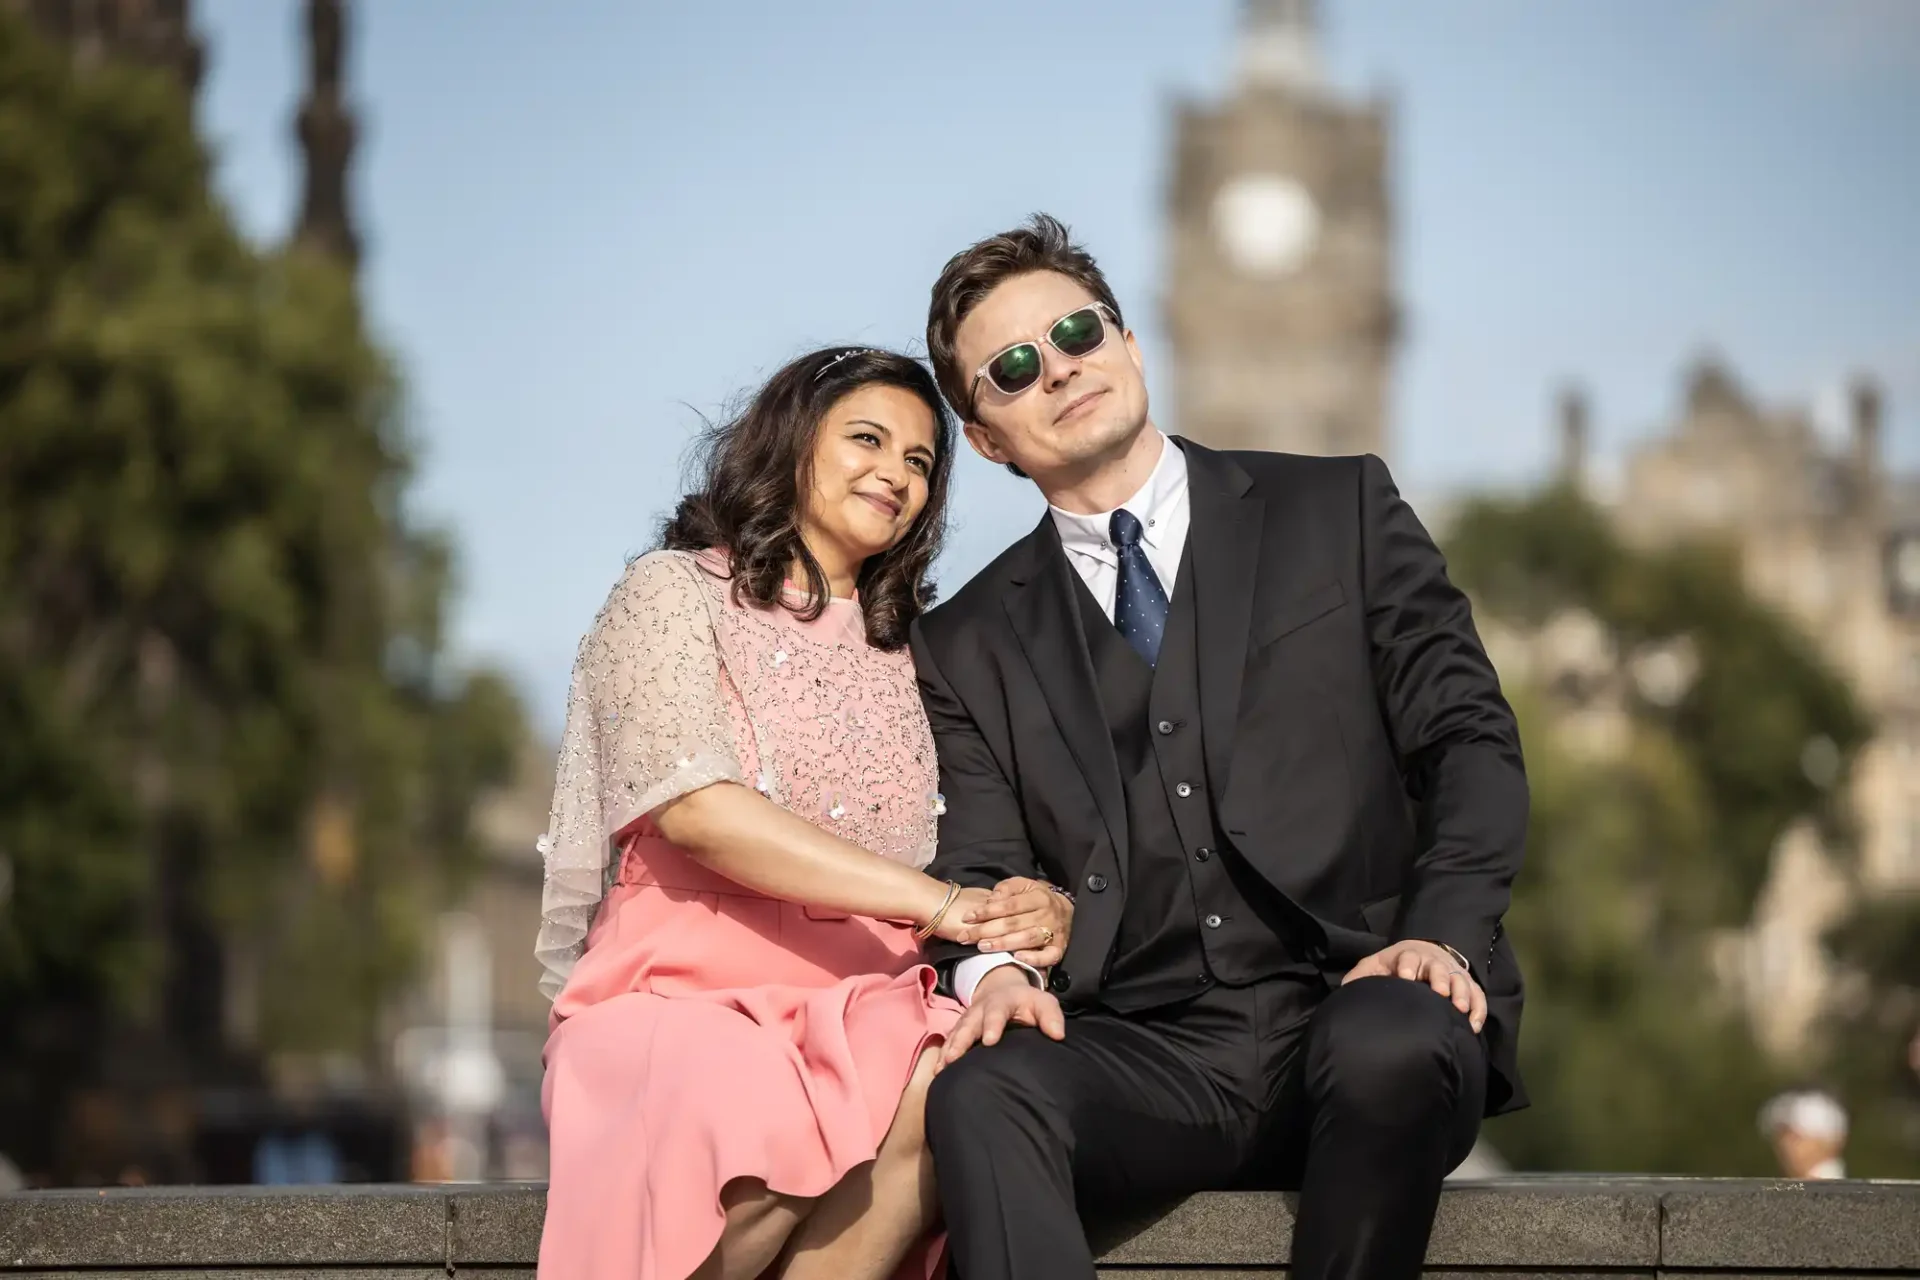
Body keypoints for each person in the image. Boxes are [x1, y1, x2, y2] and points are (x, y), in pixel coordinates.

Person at [908, 215, 1529, 1280]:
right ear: (985, 435)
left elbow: (1469, 734)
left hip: (1357, 998)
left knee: (1393, 1038)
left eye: (1077, 332)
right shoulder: (963, 639)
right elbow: (979, 863)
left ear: (1131, 341)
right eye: (1014, 368)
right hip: (1145, 1049)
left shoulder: (1341, 506)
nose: (1059, 369)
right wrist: (998, 972)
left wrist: (1443, 937)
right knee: (984, 1088)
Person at [533, 346, 1075, 1280]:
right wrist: (936, 903)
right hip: (680, 987)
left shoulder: (923, 653)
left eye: (919, 463)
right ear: (789, 444)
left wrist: (1036, 907)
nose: (896, 475)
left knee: (964, 1085)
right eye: (868, 439)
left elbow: (990, 836)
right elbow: (697, 810)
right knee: (757, 1122)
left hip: (868, 994)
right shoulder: (672, 593)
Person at [1759, 1089, 1849, 1179]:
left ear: (1830, 1142)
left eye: (1797, 1137)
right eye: (1781, 1136)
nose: (1785, 1145)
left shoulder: (1839, 1191)